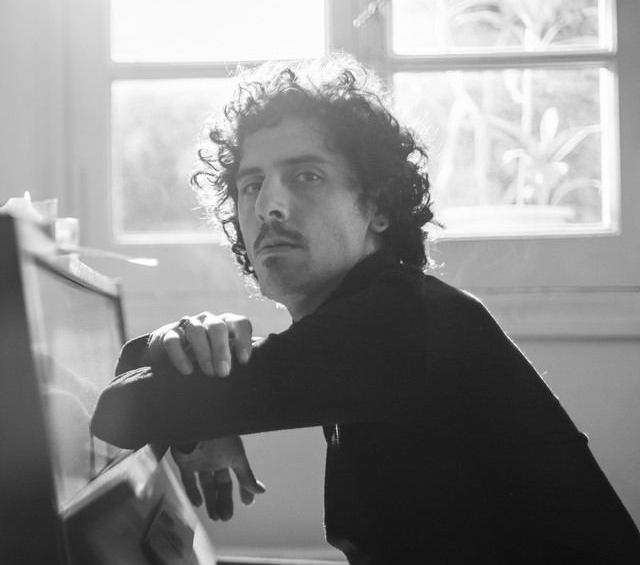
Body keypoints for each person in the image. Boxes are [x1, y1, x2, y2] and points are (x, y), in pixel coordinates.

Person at [91, 54, 640, 563]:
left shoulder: (399, 321)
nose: (268, 206)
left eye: (306, 176)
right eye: (250, 185)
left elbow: (121, 410)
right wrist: (192, 379)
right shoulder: (376, 320)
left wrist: (194, 394)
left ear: (377, 207)